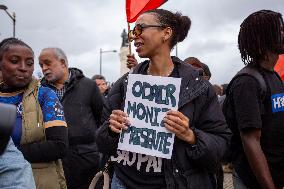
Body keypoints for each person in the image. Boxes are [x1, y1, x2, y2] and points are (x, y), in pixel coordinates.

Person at [96, 9, 231, 189]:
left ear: (166, 33)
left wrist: (190, 136)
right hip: (123, 183)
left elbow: (221, 144)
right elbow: (102, 144)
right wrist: (111, 129)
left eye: (140, 29)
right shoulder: (124, 85)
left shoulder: (198, 87)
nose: (134, 37)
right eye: (133, 32)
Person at [225, 10, 284, 188]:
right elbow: (251, 140)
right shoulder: (247, 82)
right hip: (254, 181)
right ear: (263, 37)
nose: (283, 33)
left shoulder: (274, 76)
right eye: (279, 29)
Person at [0, 38, 68, 189]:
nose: (23, 68)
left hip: (40, 182)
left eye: (29, 63)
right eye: (14, 60)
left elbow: (59, 145)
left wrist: (8, 155)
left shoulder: (45, 95)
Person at [39, 47, 104, 189]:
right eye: (41, 65)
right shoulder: (39, 91)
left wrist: (95, 150)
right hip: (52, 161)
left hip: (87, 162)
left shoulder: (88, 85)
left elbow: (102, 118)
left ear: (63, 62)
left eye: (47, 63)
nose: (44, 68)